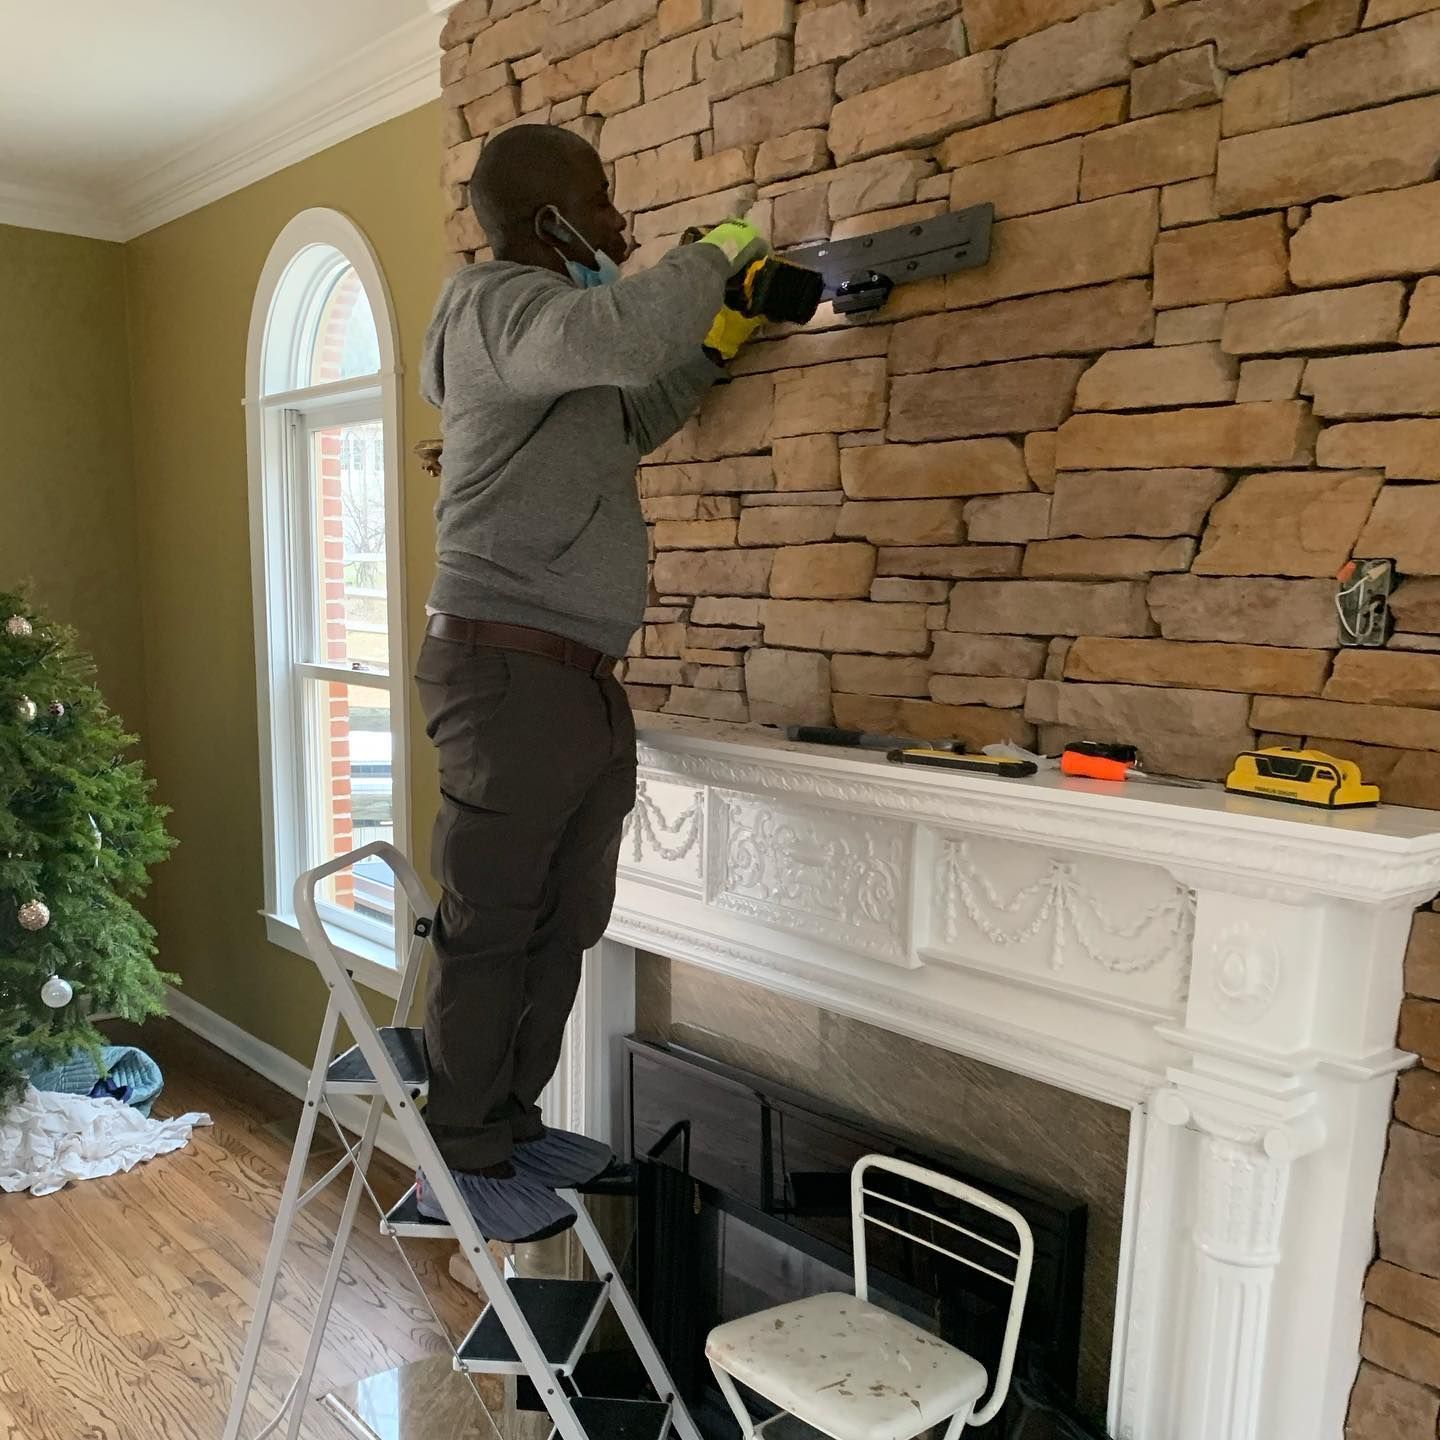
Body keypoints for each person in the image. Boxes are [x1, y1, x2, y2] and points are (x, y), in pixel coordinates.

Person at [414, 123, 769, 1243]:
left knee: (567, 918)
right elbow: (622, 337)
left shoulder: (555, 351)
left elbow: (636, 410)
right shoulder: (493, 310)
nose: (619, 226)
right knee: (493, 920)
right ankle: (460, 1148)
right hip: (504, 664)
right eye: (602, 202)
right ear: (540, 219)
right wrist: (719, 247)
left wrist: (723, 340)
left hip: (575, 676)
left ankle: (508, 1119)